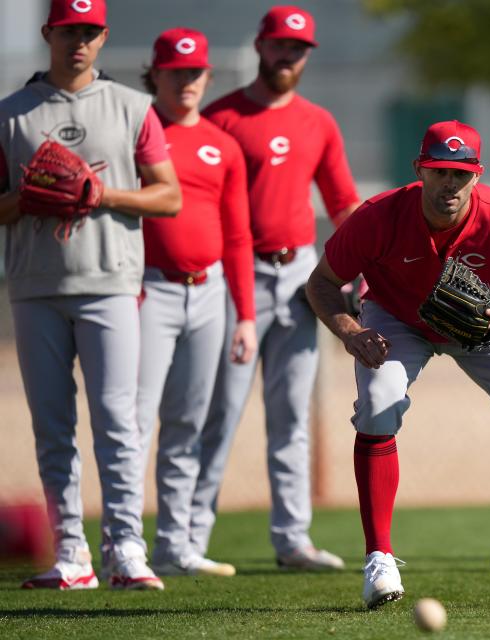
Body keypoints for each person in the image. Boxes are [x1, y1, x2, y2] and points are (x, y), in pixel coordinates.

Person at [306, 120, 490, 608]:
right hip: (397, 319)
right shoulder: (378, 216)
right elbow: (321, 283)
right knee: (378, 406)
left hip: (484, 323)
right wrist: (352, 331)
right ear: (419, 169)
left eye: (461, 174)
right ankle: (378, 558)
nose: (450, 184)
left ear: (478, 176)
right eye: (440, 171)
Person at [0, 0, 181, 590]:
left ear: (102, 37)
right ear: (49, 32)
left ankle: (126, 548)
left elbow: (168, 197)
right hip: (36, 286)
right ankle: (71, 552)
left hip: (110, 283)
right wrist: (26, 200)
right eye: (68, 30)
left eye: (89, 31)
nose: (78, 40)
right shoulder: (10, 114)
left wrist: (101, 194)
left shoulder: (133, 107)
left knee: (116, 421)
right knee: (53, 427)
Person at [192, 5, 361, 571]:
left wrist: (366, 262)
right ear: (261, 46)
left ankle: (292, 540)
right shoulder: (221, 118)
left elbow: (342, 204)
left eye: (299, 48)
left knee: (291, 415)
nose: (288, 55)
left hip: (300, 279)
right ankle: (188, 539)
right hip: (235, 278)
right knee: (219, 411)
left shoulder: (318, 122)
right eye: (280, 45)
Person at [136, 27, 257, 578]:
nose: (186, 80)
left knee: (187, 422)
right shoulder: (137, 131)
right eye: (175, 71)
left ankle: (175, 546)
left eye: (195, 72)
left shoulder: (222, 143)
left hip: (208, 295)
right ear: (155, 74)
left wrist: (246, 316)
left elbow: (237, 237)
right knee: (133, 423)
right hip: (147, 290)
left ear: (208, 76)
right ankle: (124, 546)